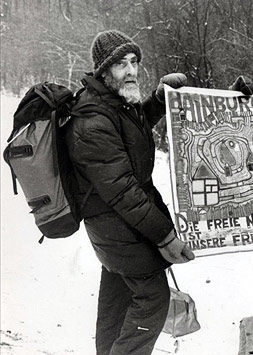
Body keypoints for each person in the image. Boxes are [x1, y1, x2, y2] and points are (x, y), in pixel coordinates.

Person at [65, 30, 195, 355]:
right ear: (104, 70)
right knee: (152, 298)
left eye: (134, 61)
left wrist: (160, 97)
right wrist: (166, 237)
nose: (132, 70)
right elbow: (124, 191)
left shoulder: (112, 104)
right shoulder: (92, 120)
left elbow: (132, 131)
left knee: (118, 297)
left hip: (116, 227)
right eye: (122, 64)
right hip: (116, 226)